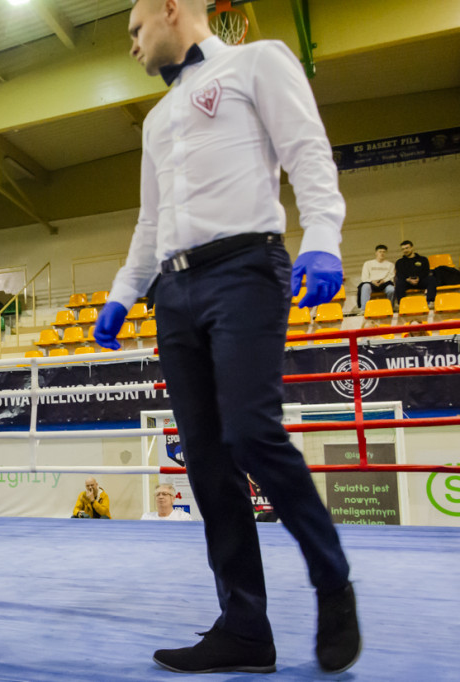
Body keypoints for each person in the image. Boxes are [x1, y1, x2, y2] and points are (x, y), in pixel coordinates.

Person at [95, 1, 358, 673]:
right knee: (207, 461)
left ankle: (332, 580)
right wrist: (124, 295)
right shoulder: (155, 120)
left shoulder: (258, 61)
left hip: (246, 267)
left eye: (134, 30)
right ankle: (245, 627)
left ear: (169, 10)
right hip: (174, 293)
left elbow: (308, 153)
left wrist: (323, 238)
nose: (131, 46)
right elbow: (150, 225)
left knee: (249, 432)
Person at [393, 240, 436, 307]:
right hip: (407, 282)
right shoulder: (399, 262)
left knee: (432, 279)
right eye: (403, 249)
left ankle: (430, 301)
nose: (405, 250)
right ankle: (401, 304)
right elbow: (399, 274)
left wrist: (419, 278)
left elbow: (426, 271)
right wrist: (408, 279)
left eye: (407, 248)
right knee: (399, 283)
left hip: (420, 281)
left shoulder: (423, 259)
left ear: (412, 248)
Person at [357, 245, 395, 313]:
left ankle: (390, 308)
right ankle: (364, 309)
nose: (382, 253)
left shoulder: (390, 265)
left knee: (392, 289)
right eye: (380, 251)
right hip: (371, 284)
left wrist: (383, 281)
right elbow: (364, 278)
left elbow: (391, 277)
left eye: (384, 252)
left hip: (384, 284)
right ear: (376, 253)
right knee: (365, 286)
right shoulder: (368, 263)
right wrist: (372, 281)